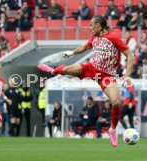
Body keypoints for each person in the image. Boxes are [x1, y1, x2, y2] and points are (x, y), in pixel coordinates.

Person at [37, 15, 134, 147]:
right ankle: (52, 71)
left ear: (99, 26)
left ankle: (112, 129)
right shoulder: (95, 37)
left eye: (91, 25)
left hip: (107, 76)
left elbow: (130, 55)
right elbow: (84, 47)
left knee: (116, 103)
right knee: (67, 70)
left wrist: (127, 74)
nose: (89, 28)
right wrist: (72, 53)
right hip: (91, 67)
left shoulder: (114, 37)